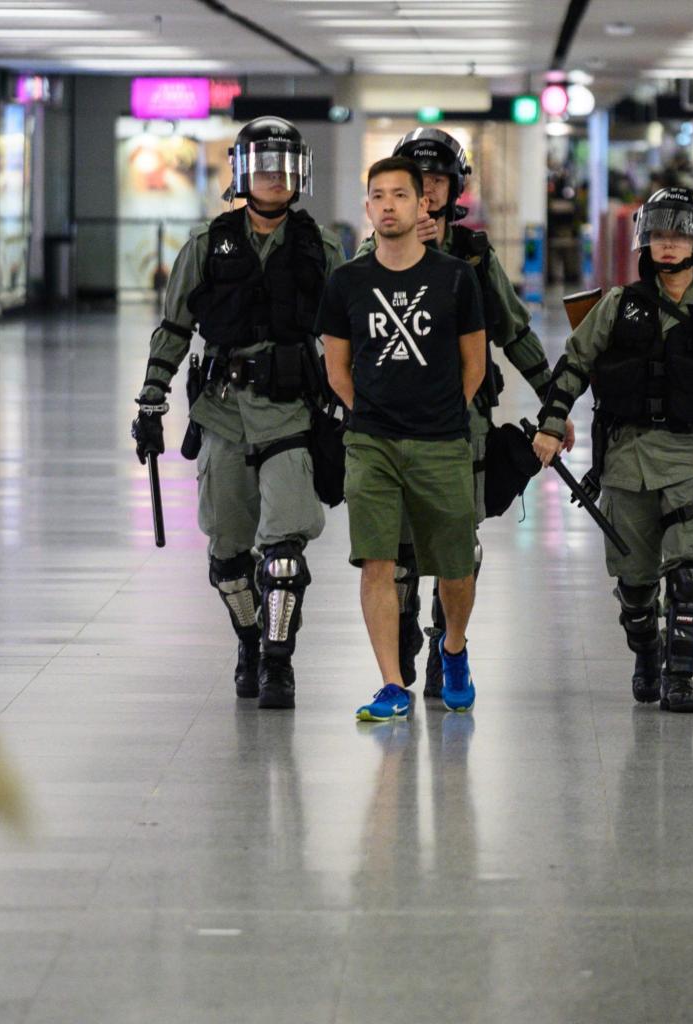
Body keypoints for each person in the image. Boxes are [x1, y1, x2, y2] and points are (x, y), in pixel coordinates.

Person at [531, 187, 693, 714]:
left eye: (678, 234)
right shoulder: (616, 306)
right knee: (635, 586)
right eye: (658, 234)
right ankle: (647, 653)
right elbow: (575, 364)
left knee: (690, 571)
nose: (667, 244)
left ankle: (680, 677)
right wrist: (551, 423)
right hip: (626, 461)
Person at [130, 116, 344, 710]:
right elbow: (174, 327)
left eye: (285, 166)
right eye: (264, 165)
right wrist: (151, 399)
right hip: (222, 414)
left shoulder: (323, 248)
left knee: (283, 555)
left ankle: (278, 662)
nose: (275, 176)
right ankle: (248, 642)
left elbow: (348, 333)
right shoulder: (207, 244)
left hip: (292, 414)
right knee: (228, 555)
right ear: (244, 173)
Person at [356, 127, 573, 699]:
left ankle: (449, 647)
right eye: (416, 181)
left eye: (437, 181)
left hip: (460, 421)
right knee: (399, 547)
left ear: (454, 189)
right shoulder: (371, 251)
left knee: (457, 545)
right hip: (390, 419)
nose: (427, 192)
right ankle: (401, 643)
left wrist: (553, 403)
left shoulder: (473, 255)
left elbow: (514, 331)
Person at [318, 156, 487, 721]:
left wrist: (442, 412)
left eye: (399, 195)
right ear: (367, 207)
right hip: (371, 442)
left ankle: (453, 648)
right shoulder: (346, 281)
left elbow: (475, 363)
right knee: (378, 562)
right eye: (378, 196)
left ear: (422, 205)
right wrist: (371, 414)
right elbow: (337, 369)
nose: (388, 205)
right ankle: (392, 683)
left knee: (456, 566)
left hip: (442, 441)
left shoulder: (455, 277)